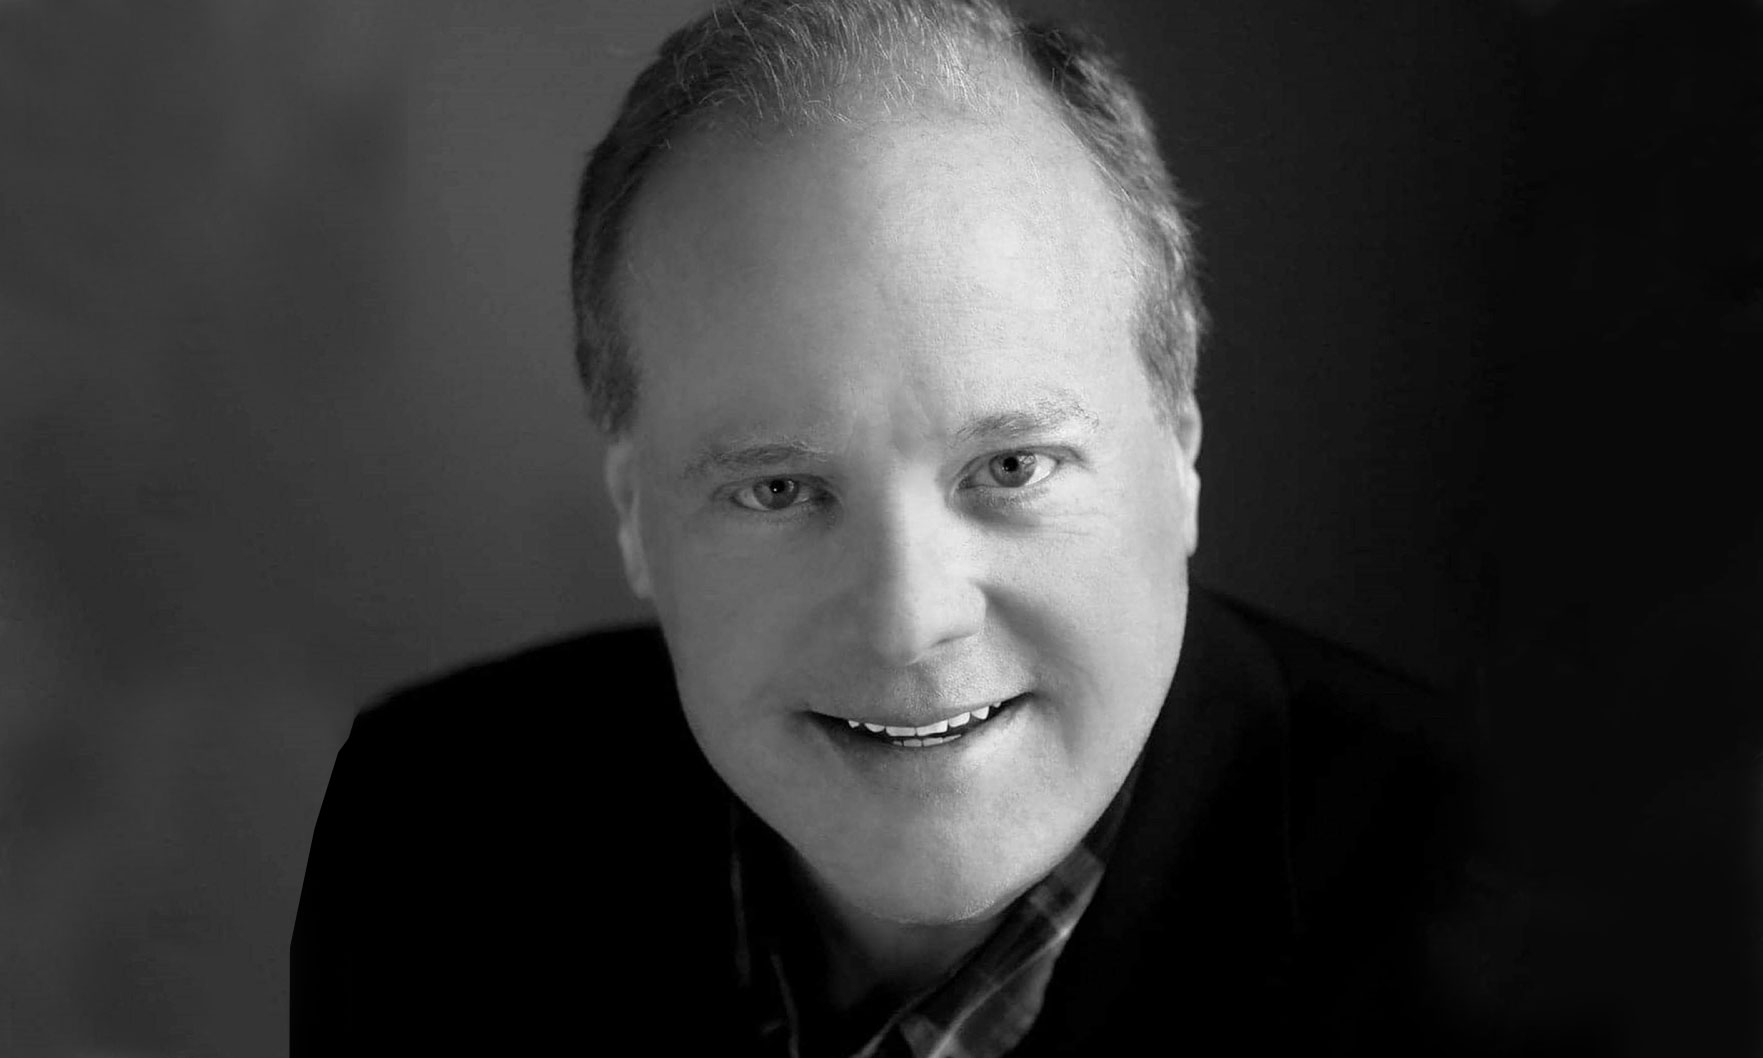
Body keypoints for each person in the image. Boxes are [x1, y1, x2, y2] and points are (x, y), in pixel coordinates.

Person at [291, 1, 1521, 1053]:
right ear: (632, 513)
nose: (906, 619)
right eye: (778, 489)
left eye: (1011, 466)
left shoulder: (1503, 923)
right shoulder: (429, 838)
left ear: (1180, 456)